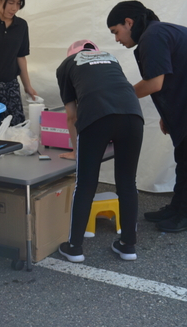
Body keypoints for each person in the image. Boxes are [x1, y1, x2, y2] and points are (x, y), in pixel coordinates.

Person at [56, 40, 143, 262]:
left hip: (96, 117)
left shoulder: (66, 65)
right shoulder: (111, 59)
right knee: (127, 182)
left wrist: (76, 151)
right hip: (133, 115)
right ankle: (128, 246)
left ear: (70, 54)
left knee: (85, 184)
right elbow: (115, 92)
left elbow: (72, 115)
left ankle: (74, 247)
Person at [107, 0, 187, 233]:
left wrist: (119, 97)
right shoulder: (157, 33)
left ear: (129, 22)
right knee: (183, 159)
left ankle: (183, 214)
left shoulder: (153, 36)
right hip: (181, 104)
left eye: (116, 31)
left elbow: (154, 83)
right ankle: (177, 208)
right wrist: (166, 115)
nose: (116, 39)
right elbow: (170, 78)